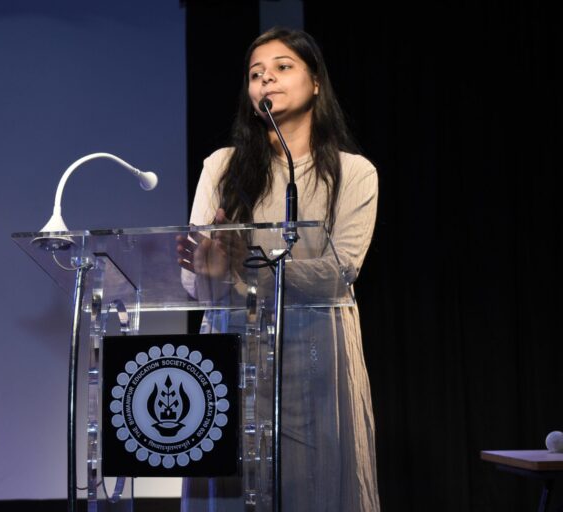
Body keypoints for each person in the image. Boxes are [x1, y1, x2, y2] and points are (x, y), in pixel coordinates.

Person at [177, 27, 380, 511]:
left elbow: (340, 271)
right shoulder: (221, 167)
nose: (266, 79)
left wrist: (248, 268)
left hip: (318, 355)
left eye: (282, 67)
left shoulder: (354, 172)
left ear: (316, 82)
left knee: (316, 488)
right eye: (255, 73)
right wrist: (210, 271)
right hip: (235, 353)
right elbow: (193, 282)